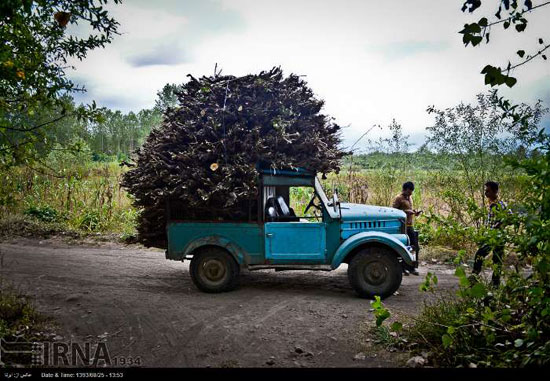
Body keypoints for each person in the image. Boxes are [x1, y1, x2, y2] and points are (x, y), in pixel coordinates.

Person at [472, 181, 508, 287]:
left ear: (495, 191)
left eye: (488, 191)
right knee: (496, 259)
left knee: (482, 254)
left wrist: (497, 227)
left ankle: (475, 277)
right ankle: (495, 282)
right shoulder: (494, 203)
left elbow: (508, 217)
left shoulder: (499, 205)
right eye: (485, 191)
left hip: (496, 236)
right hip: (492, 235)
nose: (486, 193)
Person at [392, 181, 422, 275]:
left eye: (412, 191)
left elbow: (409, 210)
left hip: (409, 225)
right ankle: (404, 268)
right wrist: (406, 211)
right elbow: (393, 211)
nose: (411, 193)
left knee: (414, 246)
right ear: (404, 189)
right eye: (409, 191)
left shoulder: (409, 198)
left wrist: (414, 212)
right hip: (402, 226)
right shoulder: (398, 198)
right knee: (404, 247)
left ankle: (410, 267)